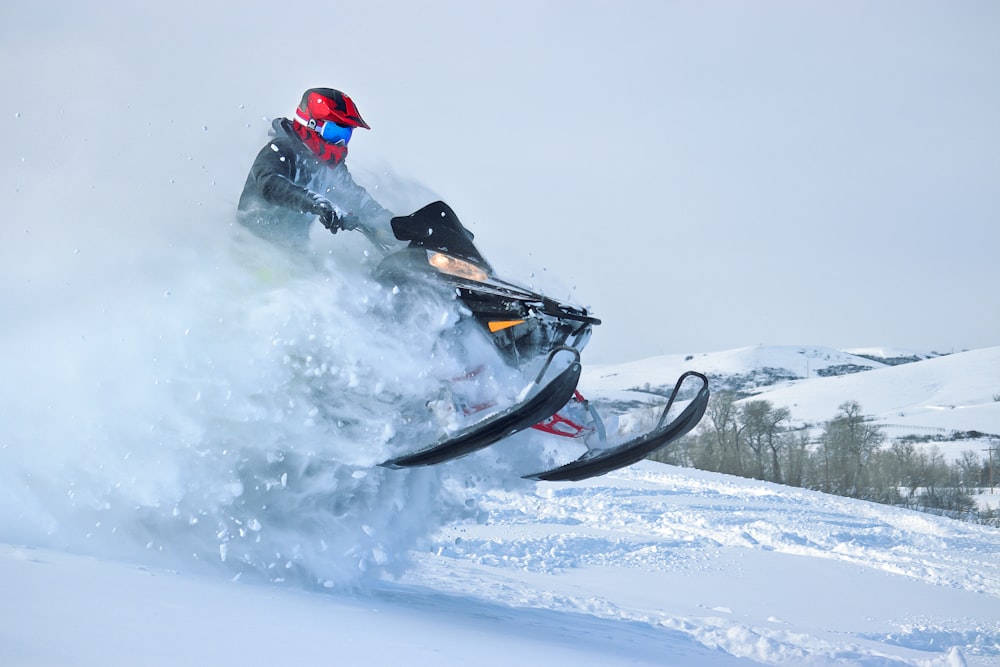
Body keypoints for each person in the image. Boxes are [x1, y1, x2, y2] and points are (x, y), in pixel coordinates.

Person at [238, 87, 397, 252]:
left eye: (345, 135)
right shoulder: (279, 150)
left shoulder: (328, 167)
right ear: (311, 124)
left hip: (293, 255)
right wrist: (317, 203)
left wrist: (393, 225)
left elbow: (355, 197)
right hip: (252, 250)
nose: (339, 142)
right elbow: (270, 184)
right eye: (333, 132)